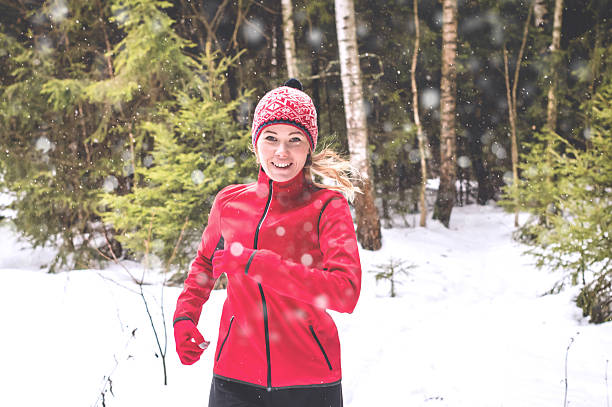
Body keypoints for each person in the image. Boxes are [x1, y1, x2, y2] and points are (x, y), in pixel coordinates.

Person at [173, 78, 362, 407]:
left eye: (295, 140)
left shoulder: (327, 206)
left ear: (309, 147)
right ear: (256, 143)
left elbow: (345, 291)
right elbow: (205, 263)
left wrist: (255, 263)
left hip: (309, 381)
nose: (281, 152)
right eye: (271, 138)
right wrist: (185, 316)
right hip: (234, 378)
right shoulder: (230, 203)